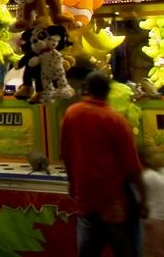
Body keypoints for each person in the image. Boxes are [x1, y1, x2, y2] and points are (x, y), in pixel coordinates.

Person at [60, 71, 147, 257]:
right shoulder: (117, 121)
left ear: (86, 90)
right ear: (108, 92)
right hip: (115, 201)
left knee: (88, 251)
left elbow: (66, 155)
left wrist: (71, 182)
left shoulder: (72, 113)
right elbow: (132, 166)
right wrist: (144, 198)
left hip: (86, 197)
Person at [139, 144, 164, 257]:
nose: (160, 155)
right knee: (155, 252)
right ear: (147, 159)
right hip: (154, 218)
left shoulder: (160, 172)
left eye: (159, 152)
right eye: (155, 153)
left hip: (159, 218)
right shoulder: (148, 176)